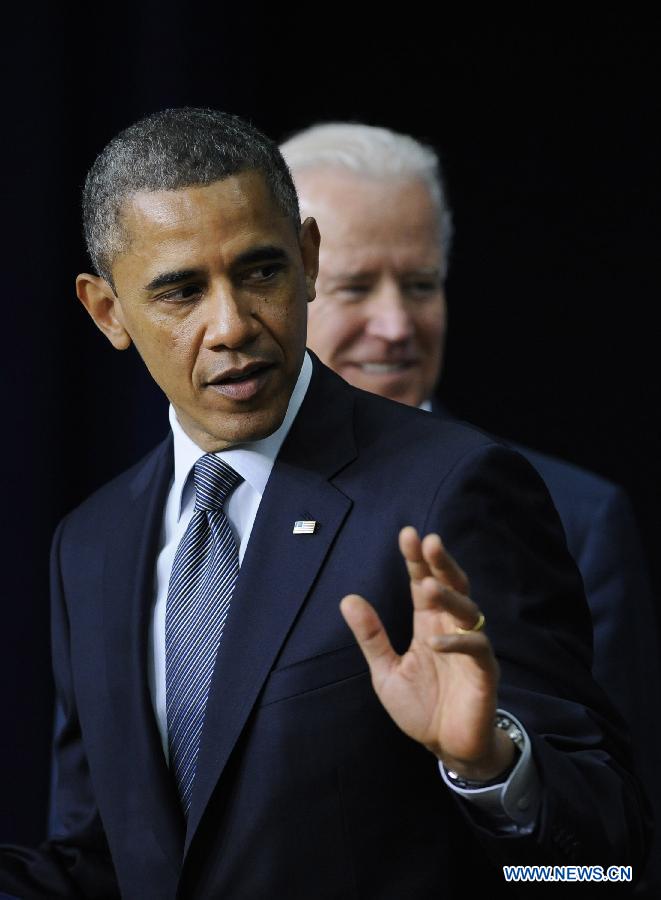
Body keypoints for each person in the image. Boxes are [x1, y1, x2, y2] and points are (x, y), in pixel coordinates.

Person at [0, 109, 649, 899]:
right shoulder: (91, 544)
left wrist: (491, 766)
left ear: (307, 259)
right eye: (179, 292)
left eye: (260, 272)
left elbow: (610, 863)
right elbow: (103, 861)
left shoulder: (455, 486)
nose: (232, 325)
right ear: (107, 313)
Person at [280, 121, 661, 893]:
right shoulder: (189, 518)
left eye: (420, 284)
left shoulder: (576, 519)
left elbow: (612, 868)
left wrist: (494, 772)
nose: (395, 326)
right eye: (355, 287)